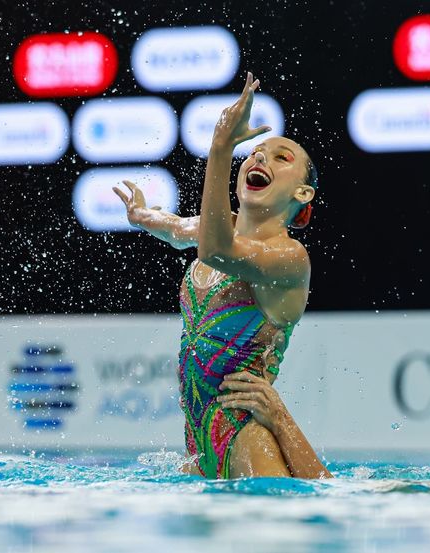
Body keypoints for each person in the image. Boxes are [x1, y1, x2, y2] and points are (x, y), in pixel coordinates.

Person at [113, 72, 332, 479]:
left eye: (281, 157)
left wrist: (220, 146)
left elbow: (215, 250)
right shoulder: (215, 228)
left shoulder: (289, 258)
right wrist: (140, 214)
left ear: (302, 194)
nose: (260, 158)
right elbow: (175, 229)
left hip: (247, 438)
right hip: (199, 445)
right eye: (255, 152)